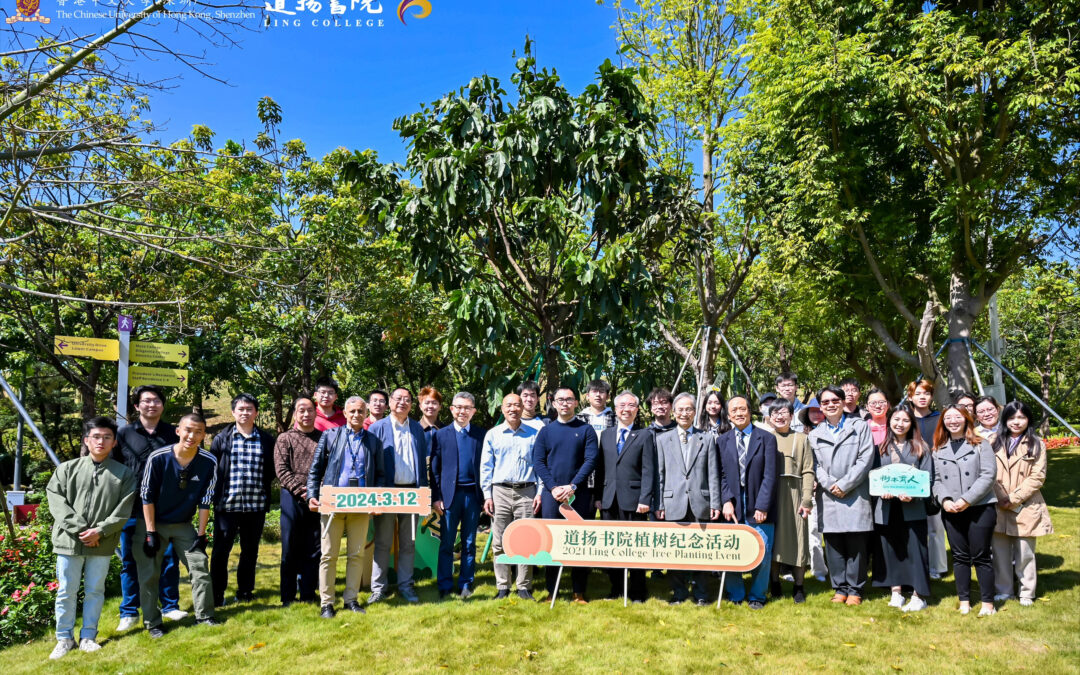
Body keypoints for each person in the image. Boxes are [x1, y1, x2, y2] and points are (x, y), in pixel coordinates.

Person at [47, 418, 136, 659]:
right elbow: (56, 501)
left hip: (102, 542)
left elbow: (123, 510)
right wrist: (80, 529)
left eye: (107, 437)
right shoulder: (67, 469)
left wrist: (100, 531)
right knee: (66, 590)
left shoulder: (123, 474)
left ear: (114, 442)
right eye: (96, 436)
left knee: (95, 590)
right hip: (69, 541)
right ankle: (64, 638)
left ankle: (88, 637)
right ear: (87, 440)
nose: (101, 441)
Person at [134, 413, 219, 637]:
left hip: (182, 523)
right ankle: (153, 623)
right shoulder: (158, 457)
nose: (192, 435)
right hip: (152, 522)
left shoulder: (208, 461)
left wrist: (201, 535)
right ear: (178, 431)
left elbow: (206, 499)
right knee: (150, 573)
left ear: (204, 435)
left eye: (198, 431)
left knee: (199, 566)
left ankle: (205, 615)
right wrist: (150, 532)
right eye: (188, 430)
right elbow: (146, 495)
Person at [112, 386, 184, 631]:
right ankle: (129, 611)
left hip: (165, 509)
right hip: (132, 508)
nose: (151, 405)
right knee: (130, 561)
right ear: (136, 406)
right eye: (146, 401)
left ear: (163, 405)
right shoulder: (123, 435)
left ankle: (170, 606)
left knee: (168, 558)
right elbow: (115, 469)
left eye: (156, 401)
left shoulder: (173, 434)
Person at [306, 396, 381, 618]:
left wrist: (376, 501)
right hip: (332, 503)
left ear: (366, 414)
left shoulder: (373, 441)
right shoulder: (330, 436)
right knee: (328, 555)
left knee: (356, 555)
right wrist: (312, 495)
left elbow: (380, 475)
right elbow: (315, 470)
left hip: (361, 505)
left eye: (361, 411)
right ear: (345, 414)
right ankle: (327, 603)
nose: (357, 415)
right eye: (353, 411)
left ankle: (351, 600)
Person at [532, 386, 599, 604]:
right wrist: (552, 488)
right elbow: (538, 462)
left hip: (578, 495)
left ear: (576, 403)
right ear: (552, 402)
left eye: (569, 399)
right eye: (560, 399)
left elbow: (590, 460)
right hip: (552, 495)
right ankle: (553, 591)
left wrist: (573, 486)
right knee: (551, 543)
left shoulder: (586, 430)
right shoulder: (546, 431)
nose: (564, 403)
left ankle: (579, 592)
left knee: (579, 543)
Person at [808, 385, 874, 606]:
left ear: (843, 401)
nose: (830, 405)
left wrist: (845, 484)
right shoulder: (815, 434)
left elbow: (866, 458)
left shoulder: (860, 426)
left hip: (855, 493)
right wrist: (830, 484)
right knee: (834, 543)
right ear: (820, 406)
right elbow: (814, 465)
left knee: (856, 543)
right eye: (825, 402)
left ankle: (855, 589)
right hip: (829, 496)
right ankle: (839, 588)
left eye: (834, 400)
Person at [208, 393, 276, 607]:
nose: (245, 412)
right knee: (220, 551)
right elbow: (213, 468)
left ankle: (245, 590)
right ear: (233, 412)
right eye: (241, 409)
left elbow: (272, 470)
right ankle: (217, 594)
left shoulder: (266, 440)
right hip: (227, 505)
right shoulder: (222, 438)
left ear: (256, 412)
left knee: (250, 551)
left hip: (255, 505)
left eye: (249, 409)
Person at [655, 393, 721, 605]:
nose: (684, 413)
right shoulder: (663, 439)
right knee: (675, 551)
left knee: (701, 549)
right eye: (680, 409)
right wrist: (660, 504)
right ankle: (679, 593)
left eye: (689, 409)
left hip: (700, 502)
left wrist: (715, 503)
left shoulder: (707, 439)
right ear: (674, 412)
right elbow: (660, 475)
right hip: (673, 502)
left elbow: (713, 474)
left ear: (695, 412)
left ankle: (701, 593)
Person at [932, 405, 997, 616]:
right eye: (948, 418)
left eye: (957, 417)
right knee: (960, 557)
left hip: (979, 507)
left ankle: (988, 603)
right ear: (943, 422)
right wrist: (945, 500)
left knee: (981, 556)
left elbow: (988, 476)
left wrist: (967, 499)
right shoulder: (938, 448)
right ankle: (964, 601)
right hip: (951, 509)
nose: (953, 421)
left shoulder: (981, 444)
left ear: (966, 419)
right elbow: (936, 480)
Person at [368, 387, 429, 604]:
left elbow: (422, 462)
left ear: (412, 404)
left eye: (407, 399)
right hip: (386, 492)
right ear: (390, 402)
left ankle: (406, 586)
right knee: (383, 542)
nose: (402, 402)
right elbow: (371, 463)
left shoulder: (417, 429)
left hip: (412, 492)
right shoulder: (377, 428)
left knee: (408, 543)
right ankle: (378, 588)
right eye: (398, 398)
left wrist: (424, 491)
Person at [595, 391, 656, 603]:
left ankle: (638, 591)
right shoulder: (607, 435)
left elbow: (649, 470)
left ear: (637, 410)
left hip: (634, 500)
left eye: (631, 405)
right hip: (609, 499)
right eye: (621, 405)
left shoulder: (645, 435)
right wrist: (598, 497)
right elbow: (601, 468)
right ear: (616, 409)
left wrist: (645, 499)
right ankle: (617, 589)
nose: (626, 409)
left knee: (635, 547)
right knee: (612, 546)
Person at [718, 396, 778, 608]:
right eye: (734, 410)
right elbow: (721, 475)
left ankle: (757, 596)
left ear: (750, 411)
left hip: (760, 502)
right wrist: (726, 500)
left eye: (742, 409)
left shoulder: (767, 439)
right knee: (731, 549)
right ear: (728, 414)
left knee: (763, 549)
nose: (738, 413)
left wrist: (762, 505)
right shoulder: (722, 440)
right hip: (733, 505)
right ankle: (735, 593)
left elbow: (770, 475)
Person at [991, 401, 1053, 606]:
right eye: (1011, 418)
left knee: (1025, 553)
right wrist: (1001, 497)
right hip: (998, 505)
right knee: (999, 552)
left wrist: (1014, 497)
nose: (1016, 422)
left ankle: (1026, 592)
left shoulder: (1036, 444)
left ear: (1028, 420)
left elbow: (1038, 476)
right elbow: (987, 472)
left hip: (1026, 505)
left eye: (1021, 418)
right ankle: (1003, 590)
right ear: (1005, 420)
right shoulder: (993, 441)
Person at [872, 406, 933, 612]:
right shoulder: (880, 447)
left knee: (917, 550)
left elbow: (927, 478)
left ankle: (919, 594)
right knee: (891, 550)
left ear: (912, 424)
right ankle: (896, 591)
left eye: (905, 420)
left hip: (913, 507)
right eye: (896, 419)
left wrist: (914, 494)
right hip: (888, 507)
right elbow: (875, 476)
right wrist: (882, 490)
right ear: (889, 421)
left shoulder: (921, 447)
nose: (900, 424)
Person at [481, 393, 542, 600]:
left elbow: (540, 465)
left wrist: (540, 492)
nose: (513, 409)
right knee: (499, 541)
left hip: (527, 491)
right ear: (502, 409)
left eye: (517, 405)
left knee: (526, 539)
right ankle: (503, 586)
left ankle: (524, 586)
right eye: (509, 405)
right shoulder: (493, 434)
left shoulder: (534, 433)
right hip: (500, 492)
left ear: (523, 406)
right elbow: (486, 467)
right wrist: (487, 495)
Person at [430, 392, 488, 599]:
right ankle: (444, 584)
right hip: (448, 497)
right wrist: (436, 497)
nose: (462, 411)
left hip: (473, 495)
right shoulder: (441, 434)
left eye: (467, 407)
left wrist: (484, 496)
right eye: (458, 407)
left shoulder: (481, 435)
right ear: (452, 409)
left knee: (470, 542)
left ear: (473, 411)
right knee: (446, 542)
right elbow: (434, 470)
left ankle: (466, 583)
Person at [274, 397, 322, 606]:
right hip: (292, 498)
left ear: (316, 412)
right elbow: (281, 469)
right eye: (301, 410)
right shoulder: (285, 438)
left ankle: (309, 593)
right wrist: (301, 490)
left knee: (314, 547)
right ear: (295, 413)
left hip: (318, 498)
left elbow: (329, 467)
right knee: (290, 546)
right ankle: (287, 596)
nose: (306, 414)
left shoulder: (324, 438)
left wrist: (315, 491)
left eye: (310, 410)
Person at [765, 400, 813, 604]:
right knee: (774, 541)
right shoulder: (765, 437)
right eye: (775, 412)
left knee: (798, 540)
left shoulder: (802, 439)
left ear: (791, 416)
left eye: (784, 412)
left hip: (795, 493)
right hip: (772, 493)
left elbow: (808, 469)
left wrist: (807, 499)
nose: (779, 416)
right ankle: (774, 583)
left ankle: (799, 586)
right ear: (769, 417)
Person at [908, 378, 949, 580]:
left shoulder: (940, 418)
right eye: (918, 394)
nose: (922, 397)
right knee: (913, 527)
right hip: (912, 477)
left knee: (935, 526)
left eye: (926, 393)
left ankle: (938, 567)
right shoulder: (905, 419)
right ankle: (916, 566)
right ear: (910, 397)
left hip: (937, 476)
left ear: (931, 396)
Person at [797, 397, 828, 582]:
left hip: (832, 488)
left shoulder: (834, 432)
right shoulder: (802, 437)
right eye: (812, 411)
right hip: (812, 489)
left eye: (819, 410)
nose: (817, 414)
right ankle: (819, 569)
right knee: (813, 530)